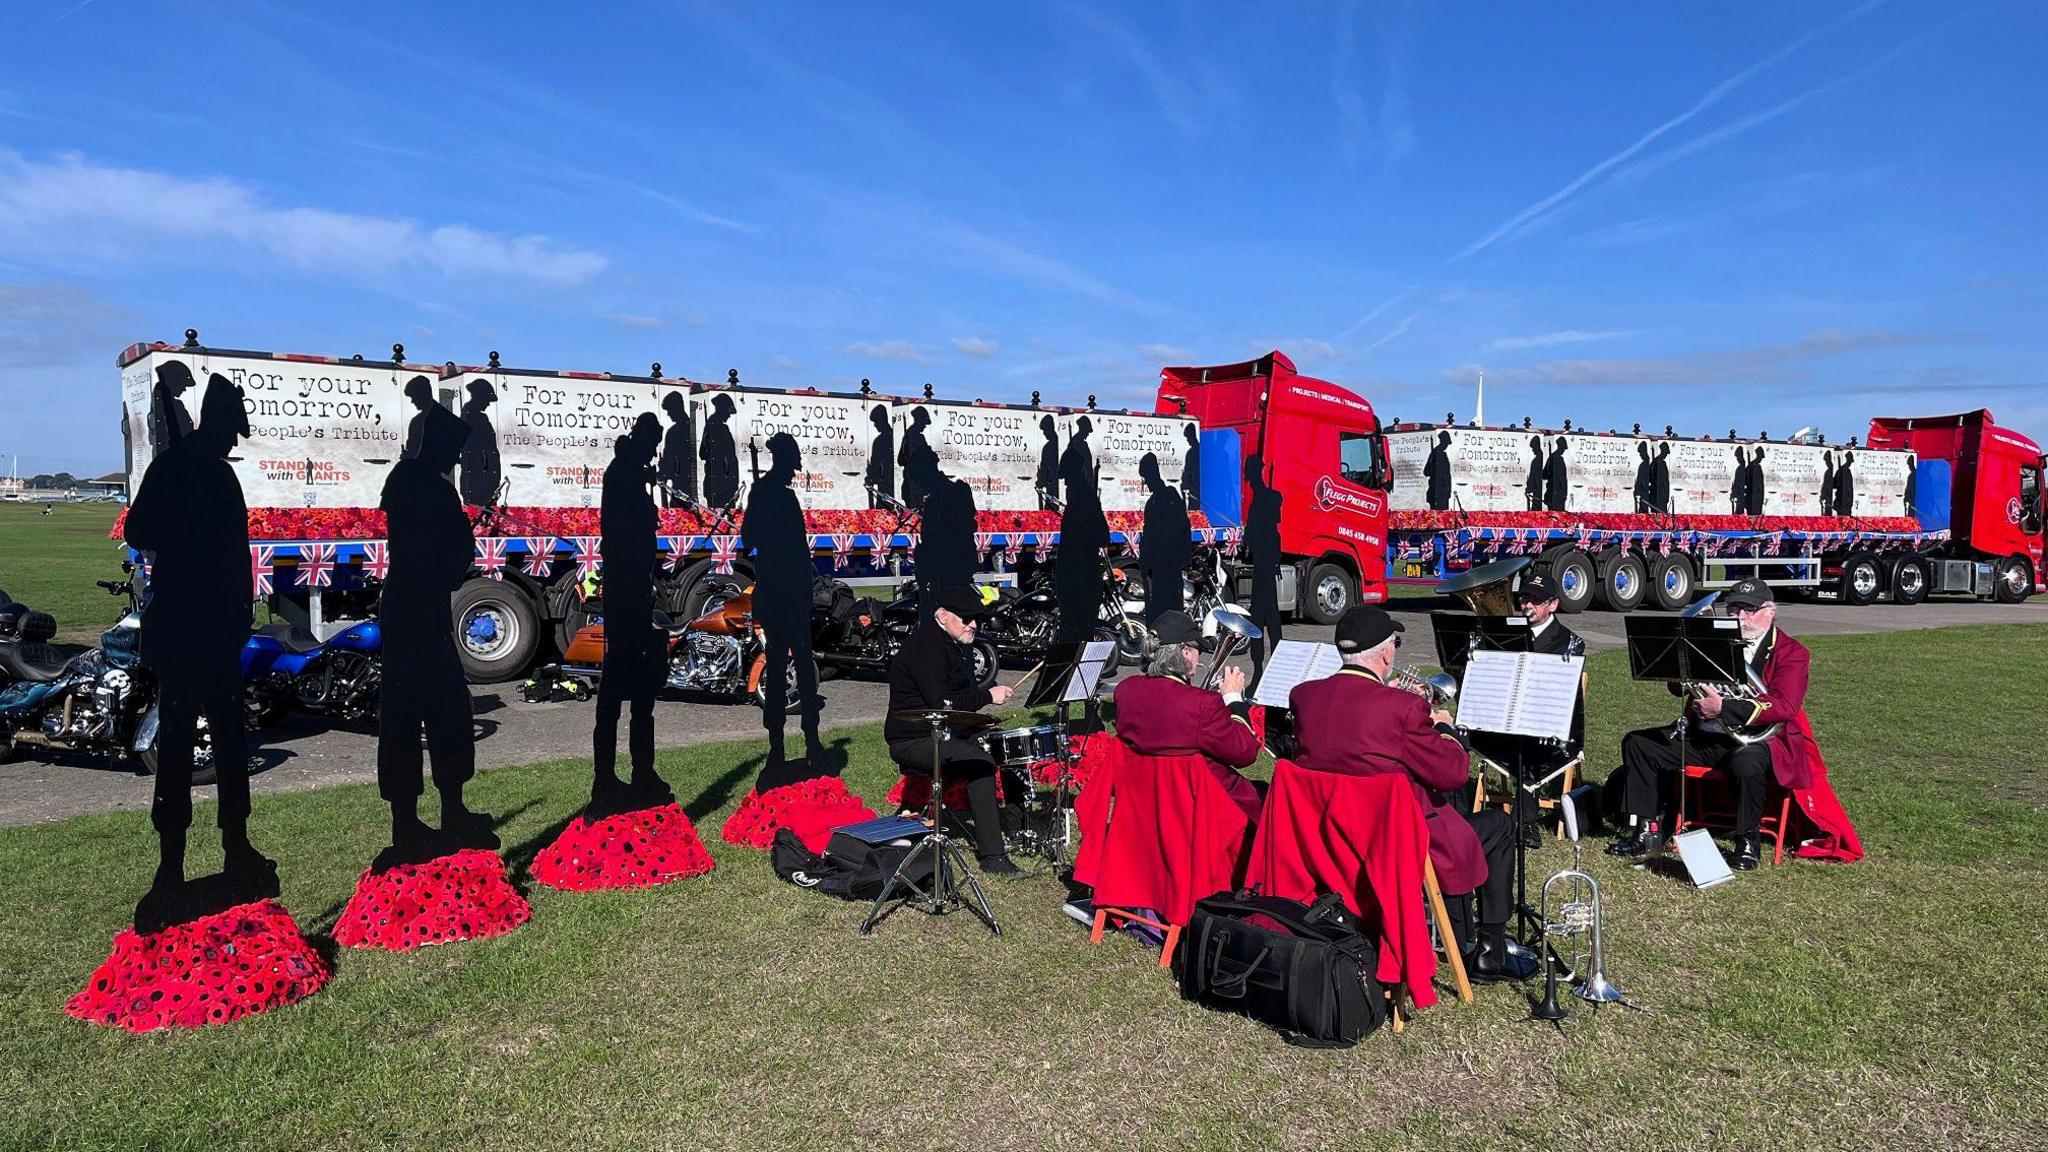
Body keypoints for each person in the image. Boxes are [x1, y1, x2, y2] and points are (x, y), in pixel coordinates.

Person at [1289, 606, 1532, 982]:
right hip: (1394, 841)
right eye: (1395, 645)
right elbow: (1452, 773)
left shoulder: (1304, 697)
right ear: (1386, 653)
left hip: (1329, 835)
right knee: (1498, 824)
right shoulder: (1402, 708)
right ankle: (1489, 949)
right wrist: (1446, 731)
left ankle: (1461, 930)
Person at [124, 373, 269, 911]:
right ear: (219, 424)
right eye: (234, 429)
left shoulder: (175, 468)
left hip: (194, 628)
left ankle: (212, 853)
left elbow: (143, 534)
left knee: (208, 745)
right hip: (200, 627)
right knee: (205, 746)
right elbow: (149, 535)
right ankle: (184, 861)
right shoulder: (204, 474)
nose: (235, 440)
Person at [1606, 579, 1817, 870]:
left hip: (1757, 740)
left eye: (1748, 610)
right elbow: (1677, 688)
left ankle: (1748, 840)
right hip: (1705, 735)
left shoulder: (1792, 652)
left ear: (1770, 613)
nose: (1739, 616)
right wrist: (1678, 668)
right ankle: (1647, 830)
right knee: (1639, 744)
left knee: (1746, 765)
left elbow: (1784, 705)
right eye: (1733, 609)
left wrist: (1724, 708)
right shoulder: (1711, 641)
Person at [377, 398, 492, 854]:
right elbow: (453, 550)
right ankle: (423, 817)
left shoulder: (405, 481)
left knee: (433, 714)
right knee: (435, 712)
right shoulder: (426, 486)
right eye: (453, 449)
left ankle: (434, 813)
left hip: (412, 607)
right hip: (418, 610)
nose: (457, 458)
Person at [884, 587, 1018, 874]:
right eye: (966, 618)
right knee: (980, 764)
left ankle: (1016, 830)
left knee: (1001, 744)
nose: (973, 625)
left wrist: (980, 721)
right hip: (914, 739)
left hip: (940, 730)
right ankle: (993, 856)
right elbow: (943, 704)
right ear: (942, 616)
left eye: (977, 619)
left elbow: (953, 706)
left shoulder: (949, 642)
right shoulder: (926, 646)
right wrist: (987, 697)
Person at [1111, 610, 1260, 822]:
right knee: (1266, 795)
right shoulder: (1201, 704)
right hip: (1204, 807)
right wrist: (1234, 698)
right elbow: (1245, 754)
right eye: (1198, 649)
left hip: (1146, 804)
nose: (1200, 656)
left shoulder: (1126, 691)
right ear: (1186, 653)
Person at [592, 414, 671, 810]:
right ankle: (607, 777)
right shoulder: (623, 473)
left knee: (640, 691)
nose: (654, 451)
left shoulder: (630, 472)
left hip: (635, 587)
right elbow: (629, 530)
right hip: (625, 591)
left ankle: (641, 771)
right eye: (652, 442)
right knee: (622, 685)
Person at [1476, 571, 1586, 848]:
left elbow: (1557, 694)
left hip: (1547, 726)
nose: (1527, 605)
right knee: (1459, 734)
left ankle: (1526, 825)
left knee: (1526, 748)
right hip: (1506, 718)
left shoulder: (1569, 642)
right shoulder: (1505, 634)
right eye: (1525, 598)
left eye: (1536, 601)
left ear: (1553, 605)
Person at [742, 433, 823, 769]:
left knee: (802, 668)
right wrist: (771, 559)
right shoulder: (765, 493)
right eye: (793, 462)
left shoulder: (779, 494)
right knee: (779, 670)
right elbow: (749, 539)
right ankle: (778, 747)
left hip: (790, 592)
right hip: (780, 593)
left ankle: (811, 742)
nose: (795, 470)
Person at [1243, 453, 1284, 676]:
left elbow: (1269, 533)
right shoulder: (1264, 498)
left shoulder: (1264, 499)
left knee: (1263, 616)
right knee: (1268, 615)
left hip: (1264, 564)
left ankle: (1263, 668)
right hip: (1265, 562)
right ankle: (1263, 667)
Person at [1138, 453, 1190, 622]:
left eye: (1146, 476)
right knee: (1159, 608)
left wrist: (1185, 557)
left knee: (1172, 608)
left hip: (1170, 563)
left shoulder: (1169, 496)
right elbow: (1147, 535)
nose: (1146, 482)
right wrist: (1144, 560)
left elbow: (1183, 526)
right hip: (1159, 565)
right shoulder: (1152, 502)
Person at [458, 379, 501, 507]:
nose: (487, 404)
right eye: (486, 400)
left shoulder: (480, 417)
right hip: (478, 483)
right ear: (479, 397)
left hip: (485, 481)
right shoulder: (470, 418)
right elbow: (473, 452)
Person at [147, 360, 196, 457]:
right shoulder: (173, 406)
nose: (184, 389)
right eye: (182, 384)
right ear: (173, 382)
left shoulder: (160, 402)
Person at [659, 391, 698, 509]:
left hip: (681, 486)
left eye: (669, 410)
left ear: (676, 408)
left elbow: (670, 460)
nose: (669, 414)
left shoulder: (674, 431)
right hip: (686, 484)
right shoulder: (690, 427)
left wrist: (663, 470)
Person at [700, 393, 740, 509]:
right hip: (721, 486)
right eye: (727, 411)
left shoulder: (715, 426)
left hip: (723, 485)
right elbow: (703, 453)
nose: (728, 416)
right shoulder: (718, 427)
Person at [898, 406, 933, 510]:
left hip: (910, 484)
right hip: (916, 485)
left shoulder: (908, 435)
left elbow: (901, 460)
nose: (924, 427)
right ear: (919, 421)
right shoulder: (917, 437)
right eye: (923, 423)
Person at [400, 375, 436, 462]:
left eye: (414, 397)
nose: (412, 401)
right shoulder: (416, 421)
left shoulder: (419, 421)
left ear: (422, 395)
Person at [864, 403, 894, 509]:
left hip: (885, 484)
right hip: (891, 482)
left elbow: (875, 464)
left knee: (883, 510)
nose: (875, 425)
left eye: (876, 422)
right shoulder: (894, 437)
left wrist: (870, 476)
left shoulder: (880, 441)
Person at [1035, 414, 1061, 510]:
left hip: (1052, 488)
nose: (1044, 433)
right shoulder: (1060, 443)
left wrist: (1039, 483)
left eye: (1044, 430)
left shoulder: (1048, 447)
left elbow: (1044, 469)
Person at [1425, 431, 1454, 511]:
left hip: (1441, 492)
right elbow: (1426, 471)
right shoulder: (1437, 454)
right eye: (1446, 443)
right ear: (1442, 441)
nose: (1447, 446)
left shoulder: (1437, 453)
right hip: (1439, 493)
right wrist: (1435, 473)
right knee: (1441, 518)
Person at [1543, 436, 1570, 512]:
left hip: (1553, 493)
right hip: (1557, 495)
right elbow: (1561, 479)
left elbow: (1544, 474)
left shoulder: (1552, 457)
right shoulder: (1558, 459)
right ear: (1560, 446)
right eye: (1563, 448)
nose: (1563, 451)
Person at [1181, 422, 1201, 514]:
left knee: (1194, 515)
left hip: (1195, 490)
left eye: (1188, 437)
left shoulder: (1191, 452)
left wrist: (1184, 485)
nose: (1187, 440)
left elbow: (1187, 471)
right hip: (1201, 489)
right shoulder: (1202, 449)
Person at [1523, 436, 1545, 512]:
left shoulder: (1536, 461)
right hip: (1543, 491)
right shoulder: (1545, 458)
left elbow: (1532, 477)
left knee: (1536, 512)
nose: (1532, 450)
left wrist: (1528, 489)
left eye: (1533, 448)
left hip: (1537, 491)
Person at [1744, 445, 1766, 516]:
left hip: (1757, 497)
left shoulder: (1756, 466)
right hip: (1753, 497)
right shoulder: (1753, 466)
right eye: (1761, 456)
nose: (1761, 459)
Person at [1633, 441, 1654, 513]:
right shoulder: (1645, 463)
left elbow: (1641, 479)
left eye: (1640, 453)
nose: (1640, 455)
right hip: (1644, 493)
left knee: (1643, 513)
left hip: (1645, 494)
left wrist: (1637, 491)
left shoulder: (1644, 464)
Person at [1650, 442, 1671, 514]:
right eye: (1665, 452)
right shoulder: (1658, 462)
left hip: (1660, 494)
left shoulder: (1658, 462)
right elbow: (1664, 481)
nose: (1666, 455)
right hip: (1659, 495)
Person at [1729, 446, 1750, 515]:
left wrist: (1734, 494)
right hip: (1741, 495)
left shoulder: (1741, 468)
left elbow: (1737, 483)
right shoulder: (1742, 468)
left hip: (1741, 496)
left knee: (1738, 513)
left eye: (1737, 457)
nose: (1737, 459)